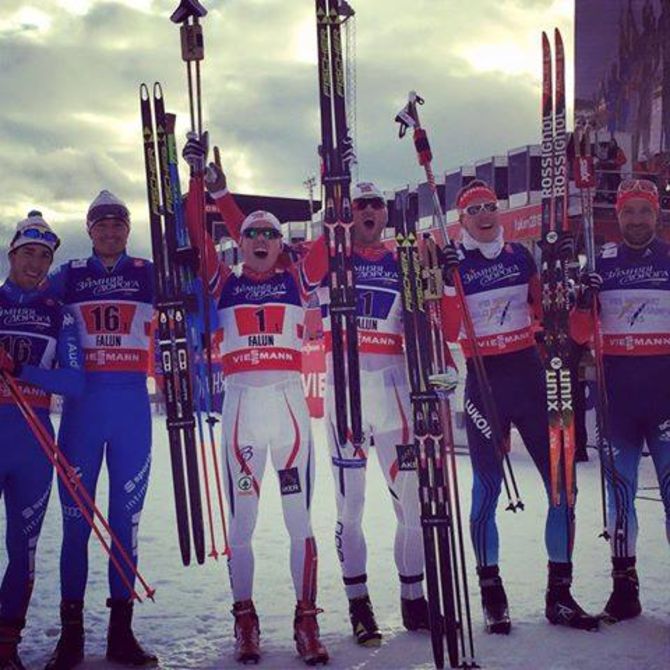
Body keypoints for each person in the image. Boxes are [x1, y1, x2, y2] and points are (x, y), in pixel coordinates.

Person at [182, 138, 329, 666]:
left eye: (270, 234)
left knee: (298, 522)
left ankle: (306, 618)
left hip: (289, 415)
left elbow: (327, 241)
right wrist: (203, 182)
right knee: (241, 525)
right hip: (241, 413)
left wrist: (330, 169)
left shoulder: (296, 279)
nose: (262, 239)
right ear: (238, 243)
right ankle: (244, 617)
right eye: (252, 234)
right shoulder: (222, 281)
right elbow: (195, 230)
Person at [440, 180, 599, 634]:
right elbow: (451, 331)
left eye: (491, 206)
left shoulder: (519, 256)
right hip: (484, 383)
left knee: (562, 484)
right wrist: (449, 285)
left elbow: (552, 313)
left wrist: (560, 271)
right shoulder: (455, 262)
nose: (485, 215)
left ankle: (560, 594)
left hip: (532, 374)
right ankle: (492, 593)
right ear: (462, 220)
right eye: (475, 210)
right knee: (486, 487)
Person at [315, 181, 458, 646]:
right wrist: (330, 204)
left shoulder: (405, 259)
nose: (369, 211)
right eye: (360, 205)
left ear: (386, 214)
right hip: (347, 400)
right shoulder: (332, 258)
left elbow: (438, 319)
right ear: (348, 213)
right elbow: (306, 265)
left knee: (414, 505)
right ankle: (359, 605)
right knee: (351, 507)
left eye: (376, 205)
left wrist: (446, 277)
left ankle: (413, 600)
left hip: (395, 396)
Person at [44, 191, 157, 669]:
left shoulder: (148, 272)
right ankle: (71, 635)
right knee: (76, 528)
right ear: (89, 231)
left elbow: (197, 285)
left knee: (125, 528)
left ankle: (120, 633)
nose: (110, 232)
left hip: (132, 407)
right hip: (81, 413)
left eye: (118, 225)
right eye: (101, 225)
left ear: (127, 230)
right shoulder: (68, 276)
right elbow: (24, 298)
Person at [571, 178, 670, 623]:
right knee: (620, 494)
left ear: (656, 214)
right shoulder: (602, 261)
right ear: (619, 216)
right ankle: (623, 588)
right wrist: (581, 299)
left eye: (643, 211)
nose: (635, 219)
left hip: (666, 396)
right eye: (628, 211)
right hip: (617, 399)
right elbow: (577, 335)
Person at [0, 213, 83, 670]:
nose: (35, 263)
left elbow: (74, 383)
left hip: (33, 441)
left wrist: (20, 370)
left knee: (23, 549)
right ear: (12, 254)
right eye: (27, 252)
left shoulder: (59, 315)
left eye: (44, 256)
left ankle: (6, 642)